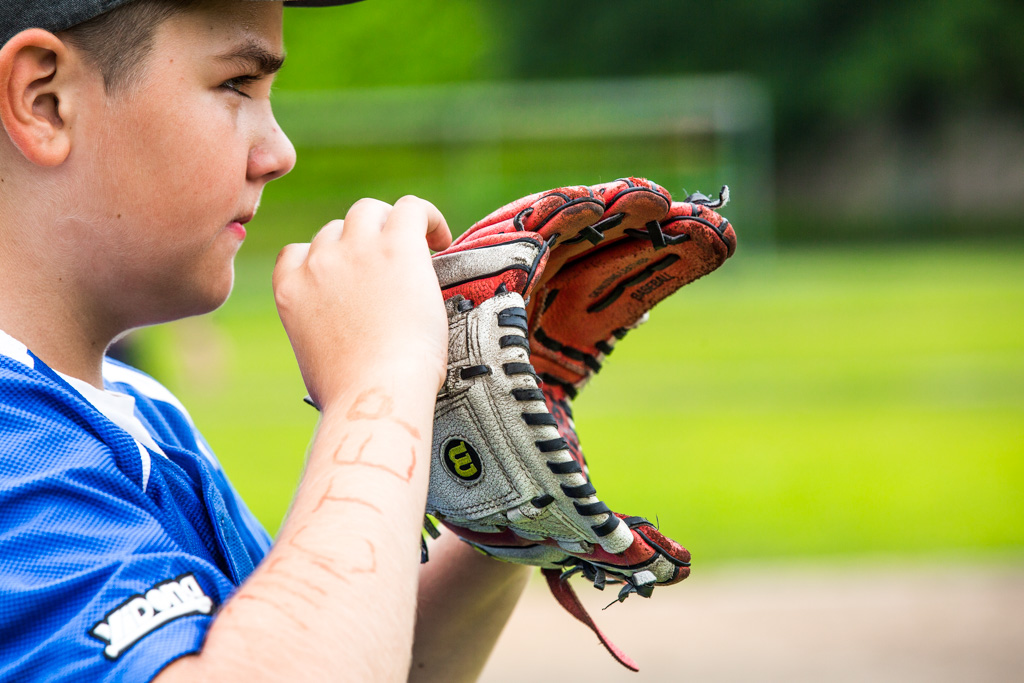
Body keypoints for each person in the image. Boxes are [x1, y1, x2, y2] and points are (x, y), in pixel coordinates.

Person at [0, 1, 530, 680]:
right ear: (45, 101)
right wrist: (379, 382)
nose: (280, 153)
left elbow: (339, 655)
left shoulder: (140, 407)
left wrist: (498, 518)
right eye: (237, 85)